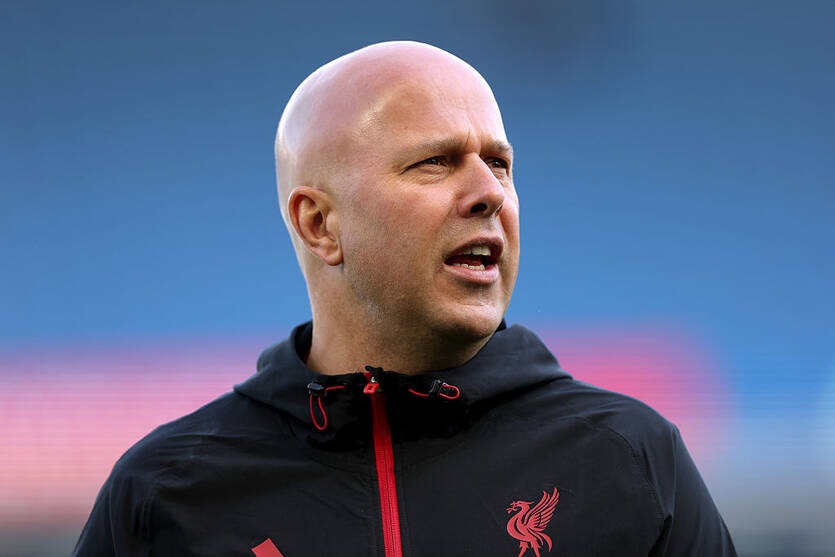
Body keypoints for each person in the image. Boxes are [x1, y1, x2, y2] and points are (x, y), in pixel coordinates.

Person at [73, 41, 736, 556]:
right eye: (435, 162)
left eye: (499, 164)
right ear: (318, 224)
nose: (490, 193)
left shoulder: (628, 458)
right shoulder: (166, 494)